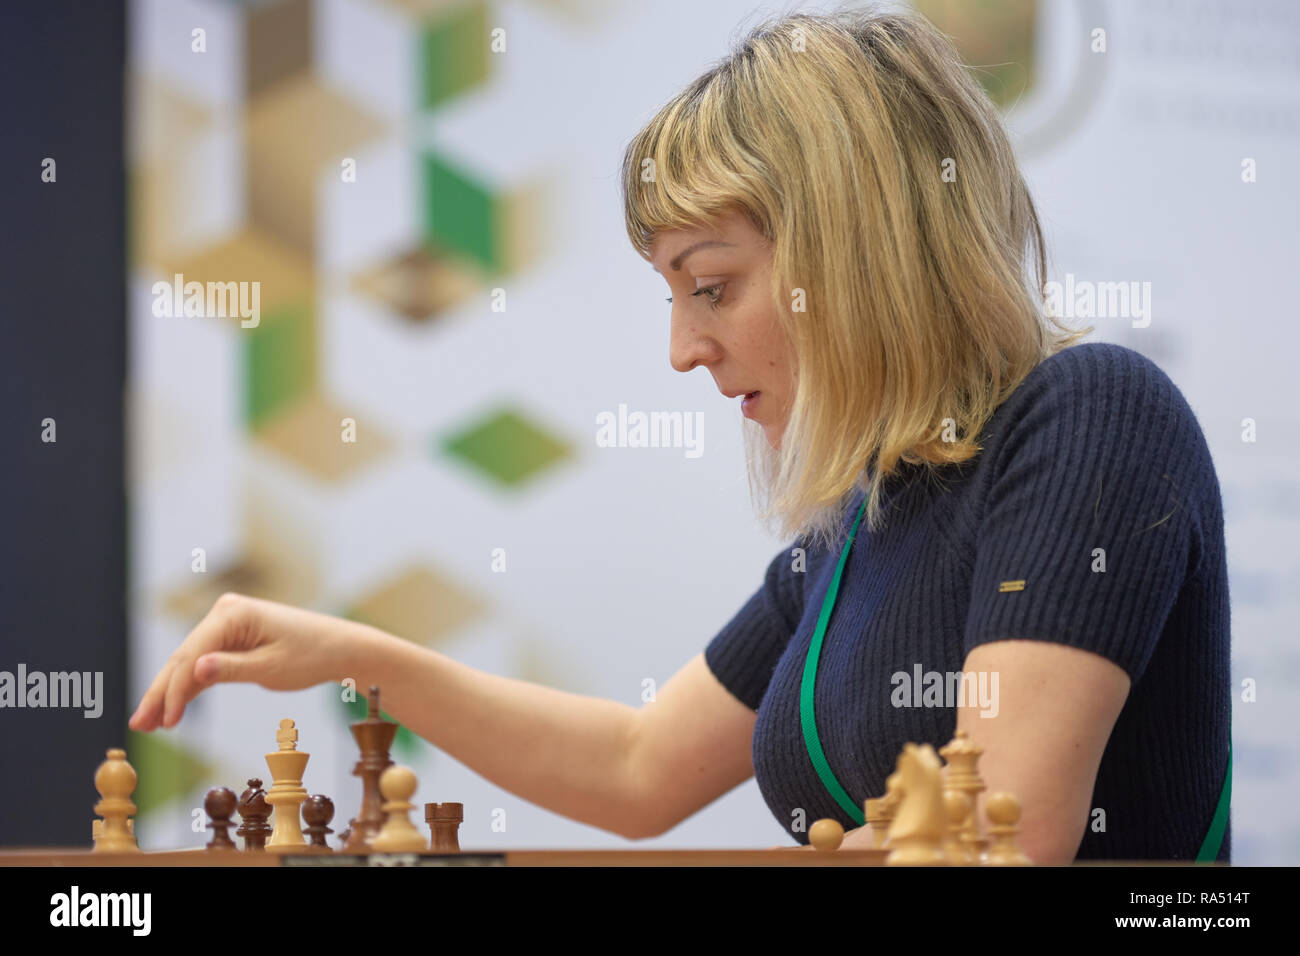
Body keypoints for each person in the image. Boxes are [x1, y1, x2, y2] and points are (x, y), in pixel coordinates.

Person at [131, 8, 1230, 862]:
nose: (681, 351)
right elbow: (636, 766)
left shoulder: (1087, 417)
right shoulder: (861, 520)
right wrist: (354, 655)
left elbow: (1004, 837)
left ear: (855, 249)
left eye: (710, 286)